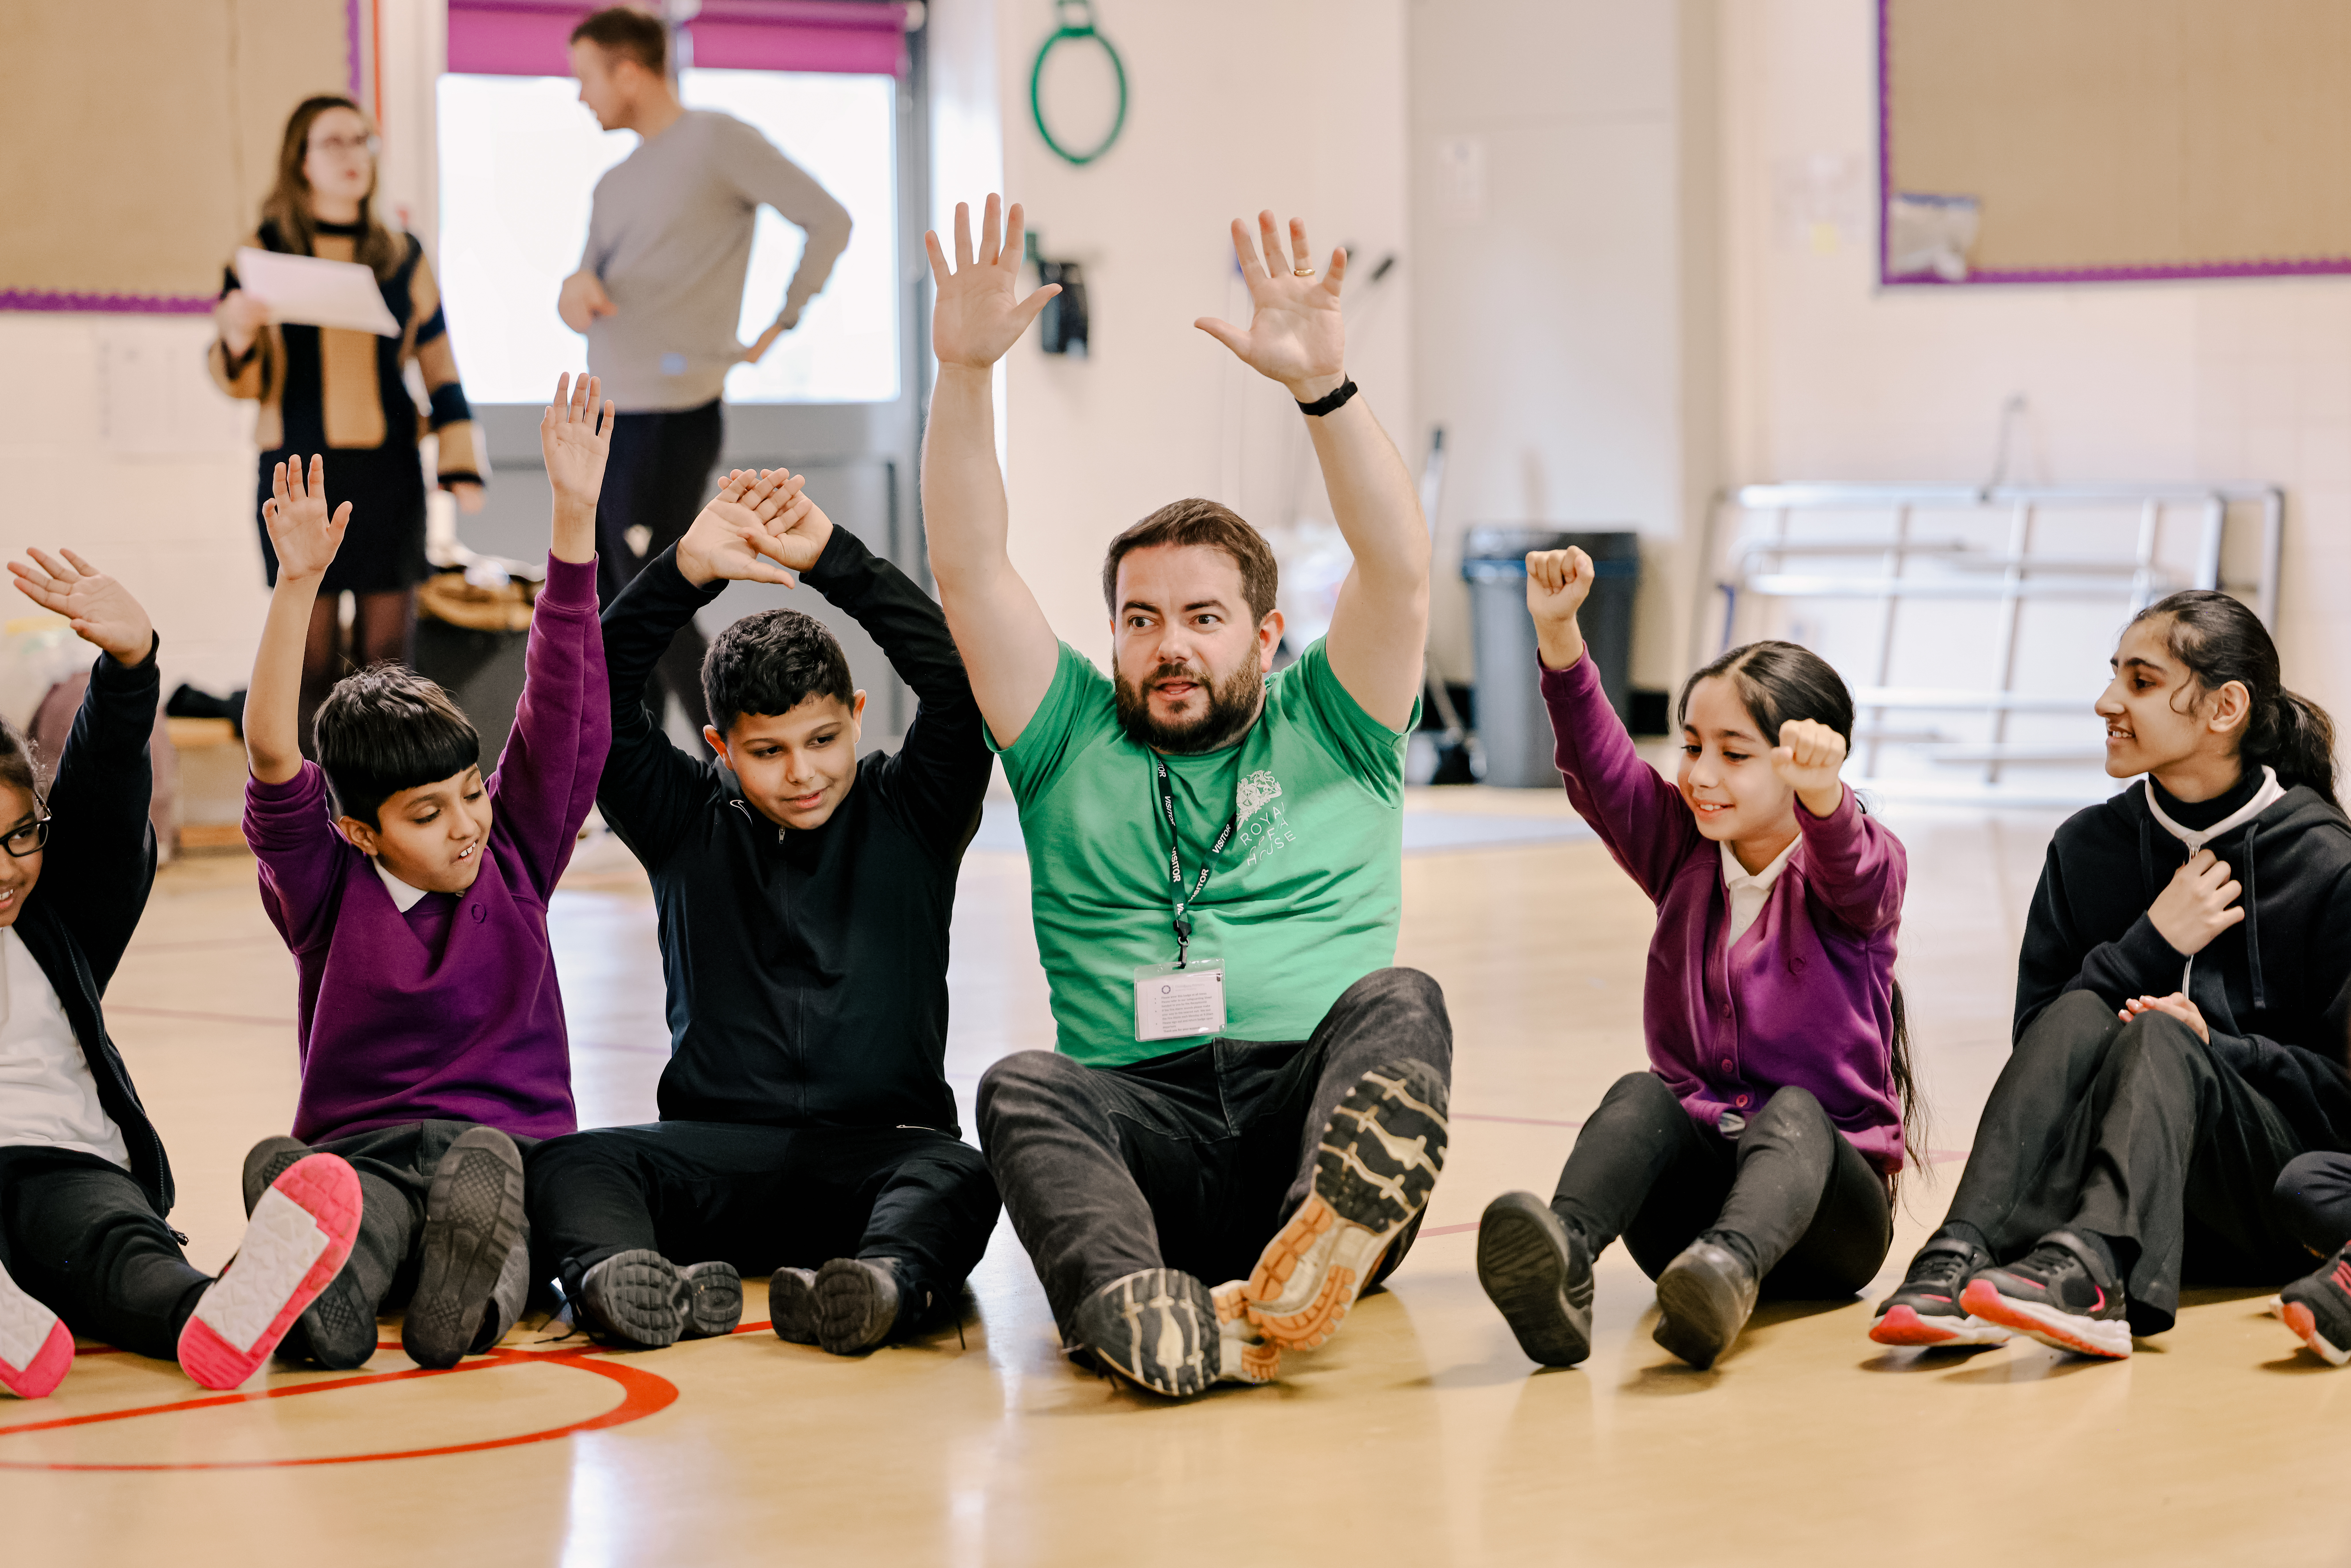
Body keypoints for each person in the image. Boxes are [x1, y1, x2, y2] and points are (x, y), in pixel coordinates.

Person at [923, 195, 1452, 1400]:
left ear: (1265, 635)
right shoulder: (1062, 733)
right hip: (1139, 1122)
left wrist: (1321, 388)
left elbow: (1400, 570)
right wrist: (962, 373)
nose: (1170, 647)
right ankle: (1135, 1309)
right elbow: (967, 566)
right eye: (1141, 620)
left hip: (1299, 1110)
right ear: (1110, 635)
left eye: (1203, 619)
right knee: (1019, 1084)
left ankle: (1328, 1233)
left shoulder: (1336, 719)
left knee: (1398, 1002)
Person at [526, 468, 999, 1357]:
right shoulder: (680, 820)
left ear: (858, 717)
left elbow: (955, 682)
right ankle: (624, 1283)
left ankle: (881, 1286)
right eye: (768, 751)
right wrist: (684, 571)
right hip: (716, 1157)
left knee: (963, 1173)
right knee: (565, 1162)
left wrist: (832, 560)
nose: (803, 773)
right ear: (720, 747)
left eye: (824, 740)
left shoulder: (917, 812)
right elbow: (595, 693)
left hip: (882, 1155)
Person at [234, 375, 614, 1373]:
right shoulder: (325, 886)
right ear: (358, 831)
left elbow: (560, 704)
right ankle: (328, 1290)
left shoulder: (516, 846)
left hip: (503, 1148)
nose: (466, 827)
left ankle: (461, 1306)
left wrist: (572, 527)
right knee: (358, 1213)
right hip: (361, 1153)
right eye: (427, 813)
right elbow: (274, 751)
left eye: (469, 792)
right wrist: (298, 585)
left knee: (492, 1215)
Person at [1871, 589, 2351, 1360]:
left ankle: (2093, 1275)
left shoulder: (2327, 862)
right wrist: (2150, 942)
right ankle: (1960, 1253)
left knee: (2161, 1035)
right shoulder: (2087, 847)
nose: (2106, 702)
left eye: (2141, 681)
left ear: (2225, 708)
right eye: (2113, 676)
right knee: (2083, 1008)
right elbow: (2047, 1047)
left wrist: (2218, 1050)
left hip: (2261, 1203)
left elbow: (2341, 1103)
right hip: (2093, 1183)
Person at [1476, 553, 1914, 1372]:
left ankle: (1732, 1273)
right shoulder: (1684, 851)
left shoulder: (1860, 877)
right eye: (1691, 746)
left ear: (1798, 766)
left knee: (1794, 1113)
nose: (1702, 775)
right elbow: (1601, 772)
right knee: (1642, 1093)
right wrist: (1560, 635)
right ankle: (1564, 1262)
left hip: (1825, 1225)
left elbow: (1855, 864)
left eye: (1735, 755)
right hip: (1685, 1233)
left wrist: (1828, 801)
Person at [0, 550, 362, 1399]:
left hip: (64, 1161)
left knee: (124, 1249)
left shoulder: (59, 924)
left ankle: (215, 1315)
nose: (9, 867)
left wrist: (131, 670)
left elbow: (105, 806)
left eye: (21, 837)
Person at [559, 6, 855, 738]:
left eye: (586, 78)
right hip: (604, 417)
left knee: (653, 599)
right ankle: (647, 786)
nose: (580, 97)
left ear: (629, 71)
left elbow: (829, 218)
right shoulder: (612, 183)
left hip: (671, 412)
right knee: (616, 613)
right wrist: (573, 294)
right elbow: (582, 289)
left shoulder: (717, 141)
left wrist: (781, 321)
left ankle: (738, 758)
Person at [211, 93, 487, 753]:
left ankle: (382, 810)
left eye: (362, 140)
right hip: (297, 472)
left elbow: (440, 363)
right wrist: (239, 336)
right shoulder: (261, 251)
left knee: (388, 660)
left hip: (388, 471)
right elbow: (241, 380)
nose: (352, 155)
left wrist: (459, 459)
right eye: (332, 142)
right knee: (307, 657)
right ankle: (309, 818)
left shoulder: (401, 254)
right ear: (300, 161)